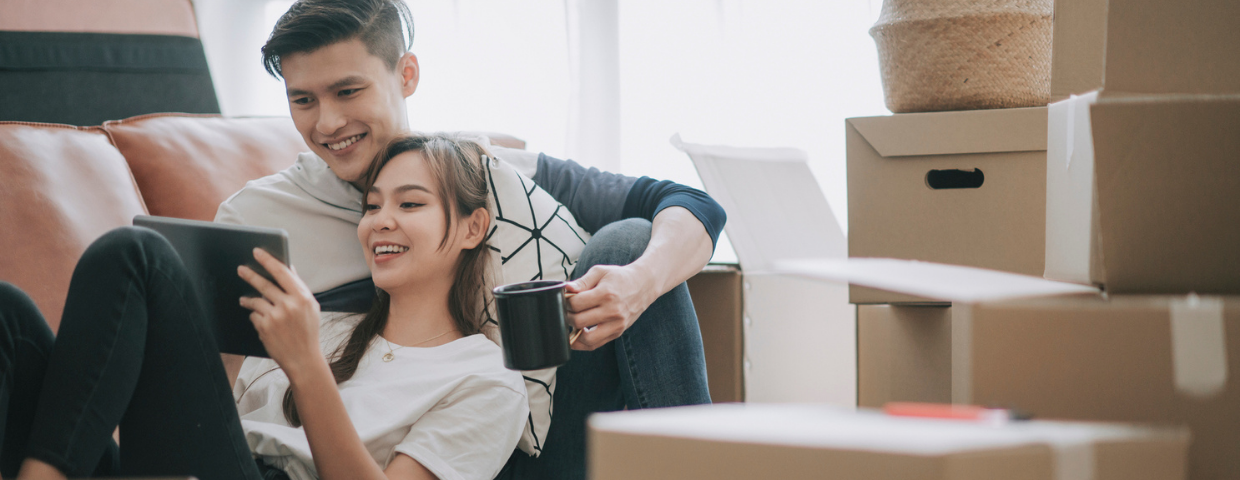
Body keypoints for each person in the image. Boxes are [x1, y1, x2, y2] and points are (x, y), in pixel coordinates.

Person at [217, 1, 726, 478]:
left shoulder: (493, 176)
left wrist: (639, 282)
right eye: (303, 99)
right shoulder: (257, 217)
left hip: (505, 436)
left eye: (348, 91)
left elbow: (693, 204)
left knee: (629, 242)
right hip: (351, 443)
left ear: (406, 75)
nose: (327, 123)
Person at [0, 133, 528, 480]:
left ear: (472, 227)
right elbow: (208, 425)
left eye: (409, 204)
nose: (380, 221)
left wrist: (305, 365)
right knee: (8, 316)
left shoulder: (488, 381)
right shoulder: (325, 327)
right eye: (372, 206)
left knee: (137, 255)